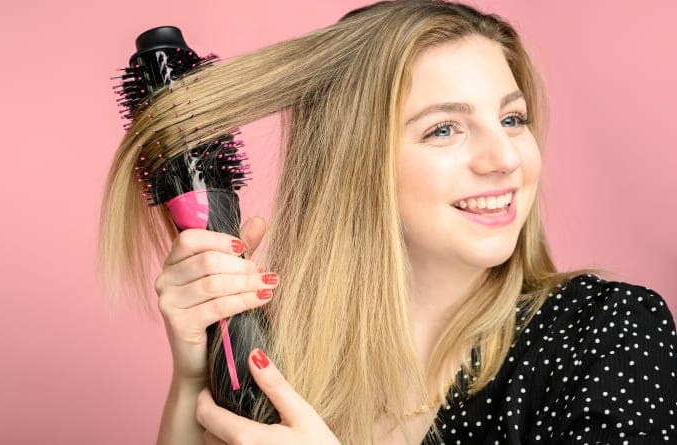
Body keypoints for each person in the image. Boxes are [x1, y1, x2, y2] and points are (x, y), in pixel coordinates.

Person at [97, 0, 677, 443]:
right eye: (444, 129)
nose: (504, 158)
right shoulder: (280, 362)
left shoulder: (604, 333)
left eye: (512, 118)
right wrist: (195, 377)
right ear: (355, 165)